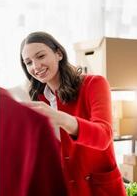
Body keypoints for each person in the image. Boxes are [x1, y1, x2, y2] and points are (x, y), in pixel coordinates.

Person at [20, 31, 126, 196]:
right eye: (28, 62)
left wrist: (61, 118)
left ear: (59, 54)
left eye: (40, 56)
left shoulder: (94, 84)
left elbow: (104, 136)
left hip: (99, 189)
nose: (35, 66)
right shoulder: (37, 99)